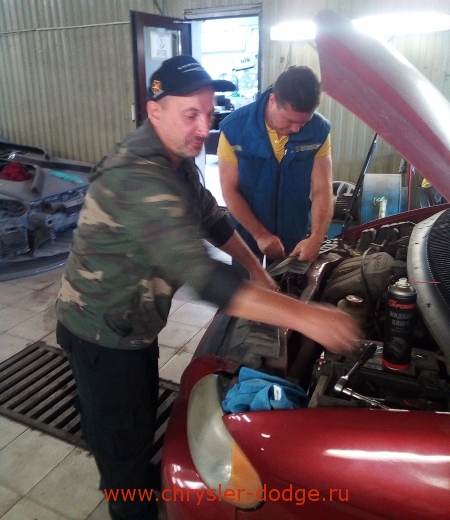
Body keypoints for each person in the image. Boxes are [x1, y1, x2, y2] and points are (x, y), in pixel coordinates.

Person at [55, 55, 361, 520]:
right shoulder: (137, 176)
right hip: (101, 333)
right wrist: (309, 317)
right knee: (121, 448)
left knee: (139, 418)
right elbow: (204, 276)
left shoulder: (176, 162)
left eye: (209, 113)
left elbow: (214, 220)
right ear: (155, 111)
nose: (205, 128)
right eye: (190, 114)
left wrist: (257, 271)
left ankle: (139, 481)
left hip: (134, 325)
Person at [218, 65, 333, 264]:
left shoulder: (319, 131)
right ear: (273, 100)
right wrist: (260, 234)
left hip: (293, 230)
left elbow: (323, 189)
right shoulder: (234, 129)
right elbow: (229, 189)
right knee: (247, 281)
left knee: (289, 282)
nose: (296, 129)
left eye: (303, 123)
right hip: (247, 230)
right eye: (289, 121)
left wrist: (316, 237)